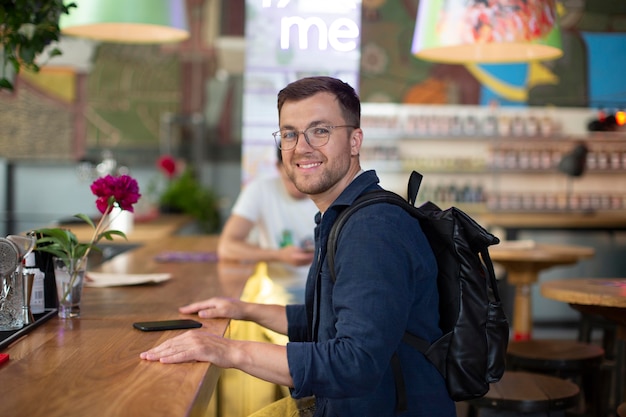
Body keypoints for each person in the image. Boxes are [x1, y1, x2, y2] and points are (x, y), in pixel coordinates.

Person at [140, 76, 456, 417]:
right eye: (290, 133)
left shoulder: (372, 230)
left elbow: (355, 363)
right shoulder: (344, 216)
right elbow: (327, 320)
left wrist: (229, 351)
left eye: (320, 130)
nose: (301, 147)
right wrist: (242, 309)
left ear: (354, 141)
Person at [218, 147, 317, 273]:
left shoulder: (333, 193)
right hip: (276, 288)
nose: (299, 187)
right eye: (291, 179)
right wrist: (279, 255)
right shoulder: (260, 190)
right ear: (278, 167)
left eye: (305, 178)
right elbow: (227, 247)